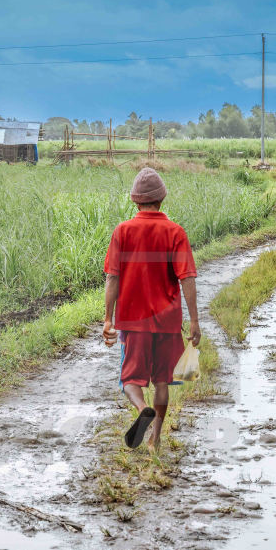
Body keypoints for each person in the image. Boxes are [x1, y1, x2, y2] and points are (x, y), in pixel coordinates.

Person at [103, 167, 200, 450]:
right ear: (161, 200)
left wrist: (108, 319)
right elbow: (188, 279)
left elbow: (112, 277)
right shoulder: (175, 232)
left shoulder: (122, 231)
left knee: (130, 380)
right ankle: (155, 440)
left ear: (135, 201)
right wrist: (194, 321)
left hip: (133, 321)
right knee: (161, 382)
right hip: (167, 322)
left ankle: (140, 410)